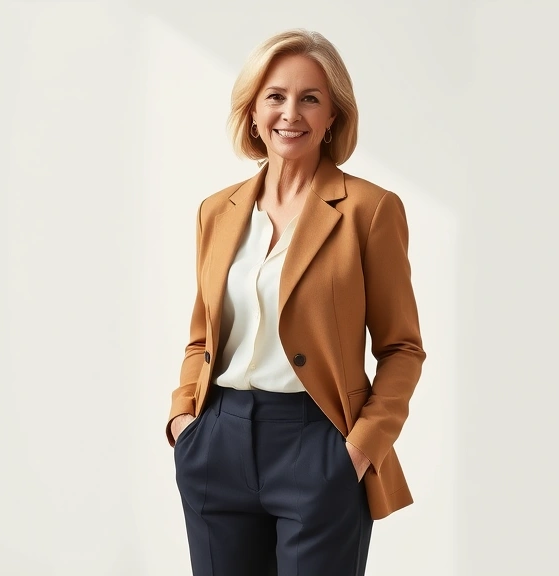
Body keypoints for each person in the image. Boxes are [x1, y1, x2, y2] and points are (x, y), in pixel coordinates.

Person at [165, 28, 426, 576]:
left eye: (311, 98)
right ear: (253, 110)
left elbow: (402, 348)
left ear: (334, 115)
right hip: (217, 441)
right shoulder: (218, 211)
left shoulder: (369, 211)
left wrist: (357, 452)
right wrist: (183, 421)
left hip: (318, 444)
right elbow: (202, 333)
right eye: (276, 96)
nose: (291, 113)